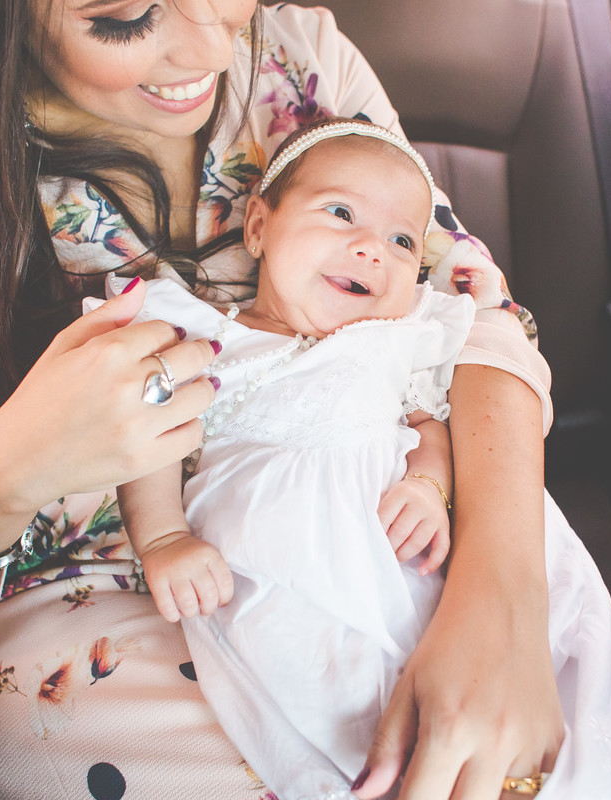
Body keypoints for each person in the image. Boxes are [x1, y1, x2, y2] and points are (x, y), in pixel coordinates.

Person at [0, 2, 611, 798]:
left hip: (385, 539)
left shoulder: (305, 64)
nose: (208, 49)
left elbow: (470, 321)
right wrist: (13, 466)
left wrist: (503, 601)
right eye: (126, 19)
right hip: (94, 600)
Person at [111, 119, 473, 799]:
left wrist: (427, 485)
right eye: (341, 214)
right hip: (268, 579)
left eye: (402, 242)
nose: (372, 250)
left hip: (397, 573)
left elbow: (429, 425)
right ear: (258, 228)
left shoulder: (397, 341)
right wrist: (163, 538)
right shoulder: (208, 338)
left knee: (445, 714)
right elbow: (151, 437)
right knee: (329, 721)